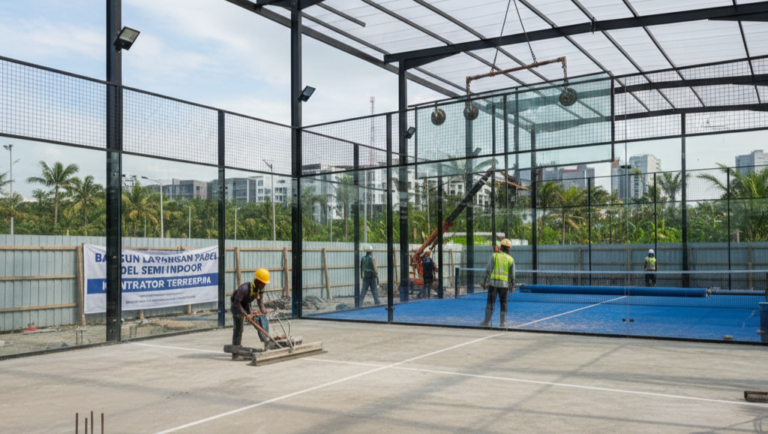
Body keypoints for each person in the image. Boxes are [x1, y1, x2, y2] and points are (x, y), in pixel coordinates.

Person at [231, 268, 274, 357]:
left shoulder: (259, 289)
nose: (264, 285)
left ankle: (266, 343)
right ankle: (235, 351)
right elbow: (237, 302)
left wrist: (262, 310)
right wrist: (246, 314)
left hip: (245, 305)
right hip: (236, 306)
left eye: (265, 283)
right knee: (239, 329)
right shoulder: (244, 289)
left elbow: (260, 301)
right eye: (263, 283)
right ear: (257, 280)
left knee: (257, 322)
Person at [480, 239, 515, 329]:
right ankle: (503, 323)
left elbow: (488, 270)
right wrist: (512, 286)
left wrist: (485, 282)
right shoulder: (511, 259)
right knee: (504, 304)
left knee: (490, 303)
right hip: (504, 286)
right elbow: (512, 275)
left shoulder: (494, 256)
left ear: (501, 246)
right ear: (509, 248)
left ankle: (486, 321)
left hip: (493, 284)